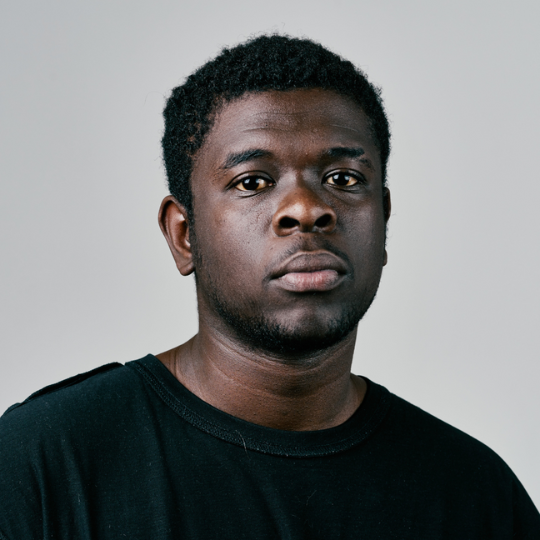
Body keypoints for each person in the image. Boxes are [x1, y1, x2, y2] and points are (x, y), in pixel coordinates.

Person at [0, 34, 538, 539]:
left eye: (344, 179)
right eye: (252, 182)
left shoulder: (476, 495)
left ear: (384, 220)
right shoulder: (43, 463)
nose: (306, 209)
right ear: (184, 236)